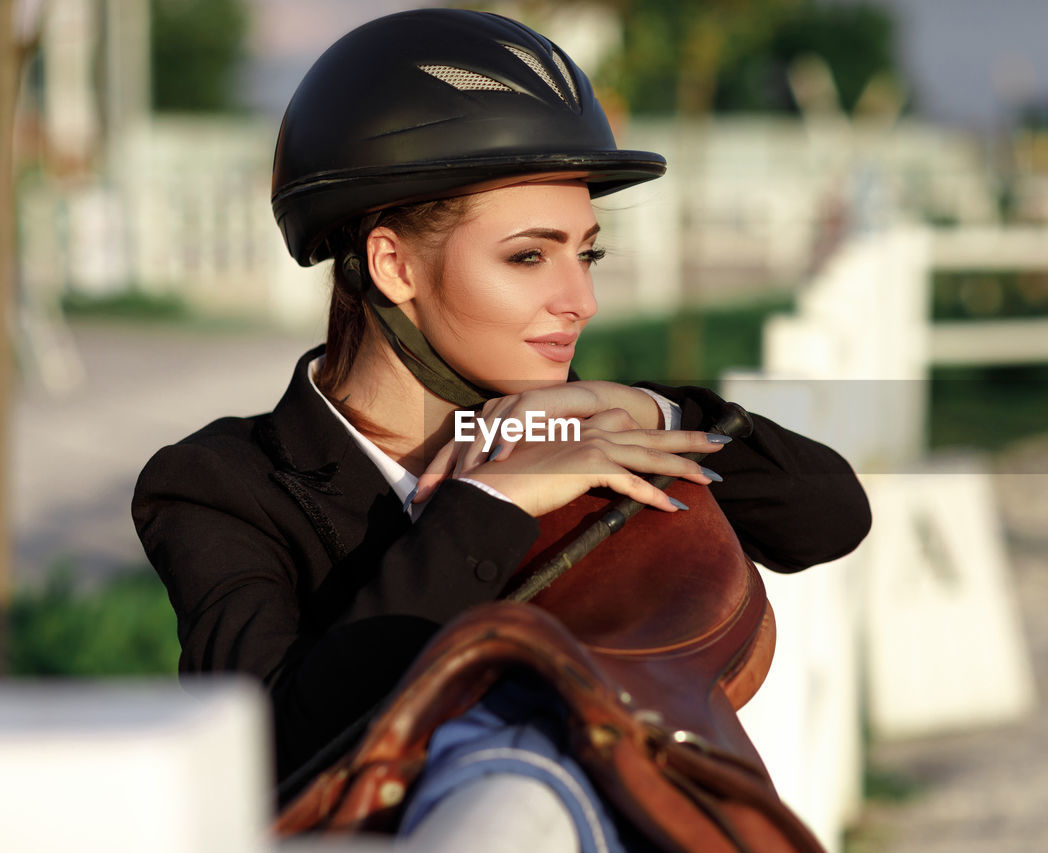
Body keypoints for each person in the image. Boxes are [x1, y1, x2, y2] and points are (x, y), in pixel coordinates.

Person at [132, 8, 870, 850]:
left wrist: (653, 411)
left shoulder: (581, 430)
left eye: (586, 253)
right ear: (393, 264)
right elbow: (275, 749)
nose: (581, 300)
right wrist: (489, 500)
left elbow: (830, 514)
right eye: (529, 255)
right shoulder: (220, 484)